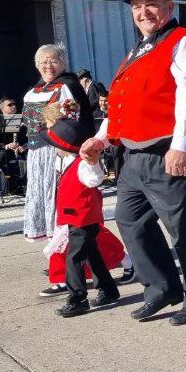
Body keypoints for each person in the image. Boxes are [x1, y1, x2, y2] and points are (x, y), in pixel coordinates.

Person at [80, 0, 186, 325]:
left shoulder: (184, 43)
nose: (144, 12)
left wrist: (181, 146)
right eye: (137, 6)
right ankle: (161, 288)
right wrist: (101, 138)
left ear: (169, 6)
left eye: (152, 4)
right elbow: (123, 104)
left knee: (182, 227)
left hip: (166, 151)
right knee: (130, 221)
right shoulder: (137, 50)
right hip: (133, 156)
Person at [38, 102, 124, 316]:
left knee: (74, 259)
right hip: (76, 218)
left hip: (84, 219)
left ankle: (77, 298)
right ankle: (108, 289)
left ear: (66, 146)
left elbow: (95, 179)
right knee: (91, 255)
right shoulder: (67, 160)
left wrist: (93, 163)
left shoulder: (83, 163)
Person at [22, 44, 95, 241]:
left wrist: (67, 150)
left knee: (60, 201)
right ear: (37, 65)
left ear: (63, 63)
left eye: (54, 61)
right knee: (43, 200)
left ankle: (66, 255)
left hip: (59, 154)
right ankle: (56, 253)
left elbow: (76, 123)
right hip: (37, 155)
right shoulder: (32, 92)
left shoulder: (68, 87)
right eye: (43, 62)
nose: (48, 66)